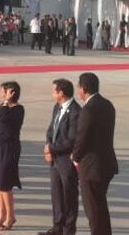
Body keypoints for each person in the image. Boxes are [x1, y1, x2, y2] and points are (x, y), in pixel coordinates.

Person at [72, 72, 117, 235]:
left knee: (93, 210)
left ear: (83, 89)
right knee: (100, 206)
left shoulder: (88, 110)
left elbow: (81, 138)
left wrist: (75, 157)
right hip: (107, 163)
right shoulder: (108, 105)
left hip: (91, 167)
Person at [44, 78, 81, 235]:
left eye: (54, 90)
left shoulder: (76, 111)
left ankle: (68, 229)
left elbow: (71, 140)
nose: (52, 93)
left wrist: (50, 148)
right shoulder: (57, 107)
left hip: (67, 160)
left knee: (69, 196)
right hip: (54, 159)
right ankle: (57, 226)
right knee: (56, 194)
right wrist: (48, 148)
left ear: (61, 93)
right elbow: (51, 130)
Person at [0, 81, 24, 231]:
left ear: (11, 93)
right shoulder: (3, 106)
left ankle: (10, 216)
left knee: (4, 183)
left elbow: (7, 119)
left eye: (3, 91)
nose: (0, 93)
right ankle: (1, 215)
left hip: (8, 148)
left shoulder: (17, 109)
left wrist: (7, 102)